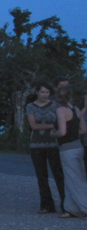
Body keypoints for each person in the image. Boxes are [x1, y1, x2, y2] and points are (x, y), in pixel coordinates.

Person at [26, 82, 66, 214]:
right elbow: (34, 126)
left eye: (47, 92)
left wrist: (52, 126)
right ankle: (47, 204)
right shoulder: (30, 106)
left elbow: (61, 123)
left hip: (53, 144)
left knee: (59, 174)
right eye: (42, 92)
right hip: (36, 144)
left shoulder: (56, 106)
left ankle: (66, 204)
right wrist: (51, 126)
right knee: (41, 176)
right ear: (37, 92)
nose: (45, 95)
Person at [51, 85, 87, 218]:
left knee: (76, 180)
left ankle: (85, 206)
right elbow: (83, 130)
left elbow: (62, 131)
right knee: (72, 178)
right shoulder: (76, 109)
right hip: (78, 146)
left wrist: (53, 134)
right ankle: (71, 207)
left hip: (67, 149)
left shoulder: (61, 110)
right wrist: (73, 133)